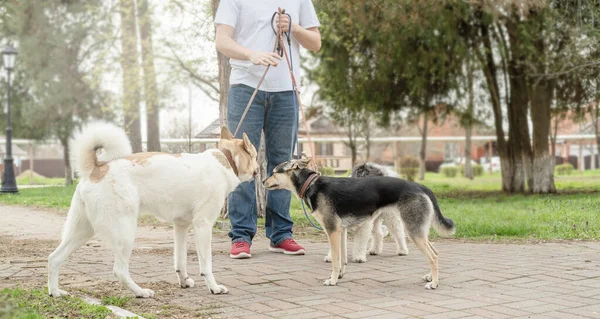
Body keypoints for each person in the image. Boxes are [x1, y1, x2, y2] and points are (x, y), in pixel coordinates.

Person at [215, 0, 321, 259]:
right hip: (245, 87)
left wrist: (292, 27)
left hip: (285, 91)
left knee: (284, 164)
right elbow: (222, 41)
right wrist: (251, 54)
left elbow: (315, 43)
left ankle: (281, 234)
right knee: (239, 162)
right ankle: (241, 236)